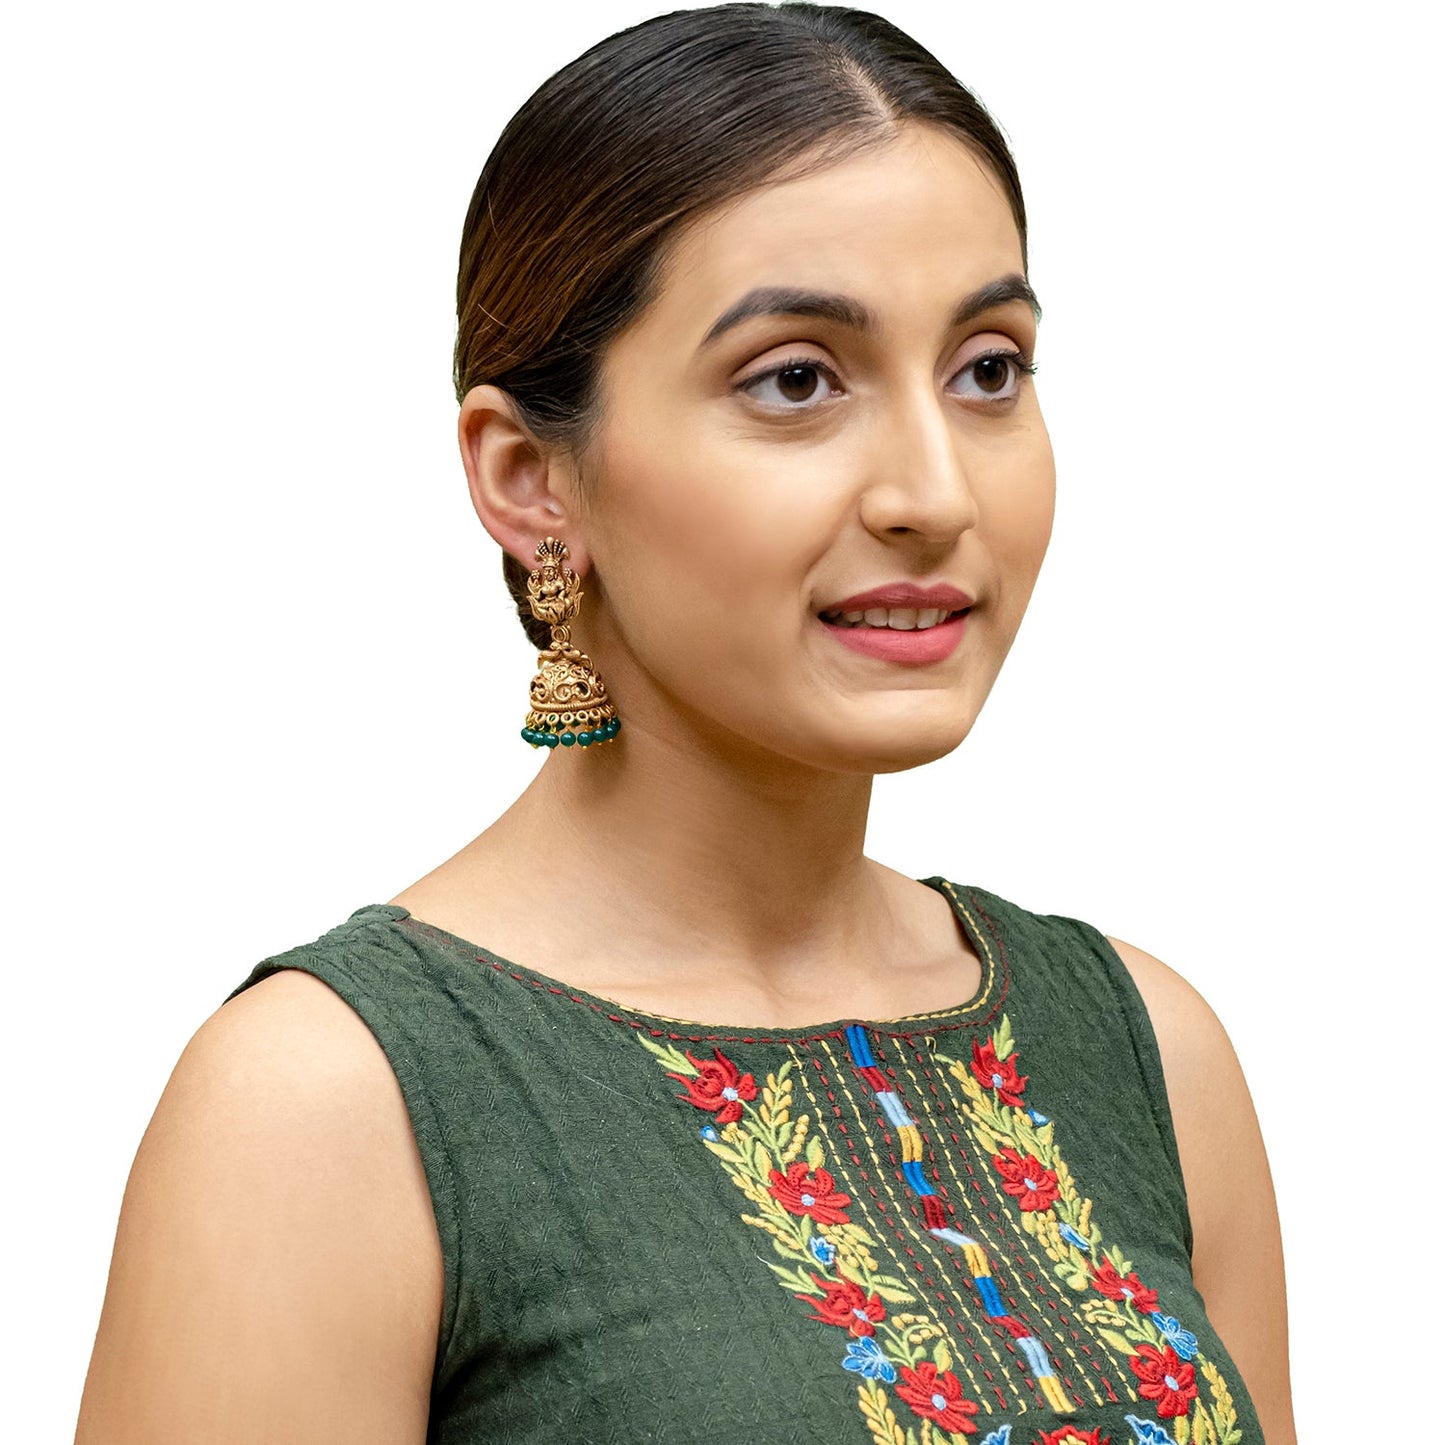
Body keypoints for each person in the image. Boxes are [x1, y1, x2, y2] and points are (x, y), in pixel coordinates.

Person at [75, 4, 1294, 1441]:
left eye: (987, 369)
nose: (934, 492)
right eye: (795, 380)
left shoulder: (1146, 1053)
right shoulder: (328, 1106)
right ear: (530, 477)